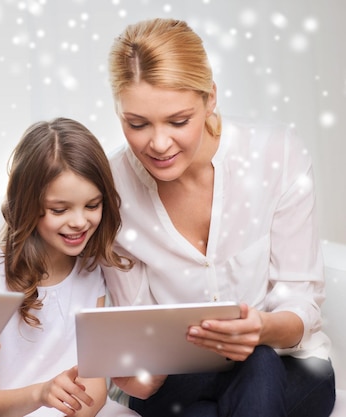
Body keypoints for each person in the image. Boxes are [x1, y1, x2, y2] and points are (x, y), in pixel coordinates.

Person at [102, 18, 336, 417]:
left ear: (211, 98)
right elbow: (136, 331)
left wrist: (261, 329)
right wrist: (138, 371)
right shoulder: (113, 188)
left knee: (257, 361)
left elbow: (302, 304)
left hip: (290, 364)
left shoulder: (276, 155)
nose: (158, 144)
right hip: (180, 377)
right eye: (136, 124)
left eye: (178, 121)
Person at [0, 118, 140, 417]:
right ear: (28, 204)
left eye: (92, 206)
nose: (80, 221)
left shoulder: (92, 270)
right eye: (60, 209)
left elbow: (94, 388)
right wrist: (40, 394)